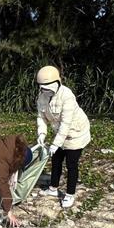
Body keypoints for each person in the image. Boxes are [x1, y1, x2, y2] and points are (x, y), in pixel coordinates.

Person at [35, 66, 91, 208]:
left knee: (71, 164)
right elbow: (41, 117)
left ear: (58, 82)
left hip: (75, 134)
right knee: (56, 161)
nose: (46, 90)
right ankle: (53, 188)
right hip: (59, 133)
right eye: (43, 87)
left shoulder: (67, 96)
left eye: (49, 87)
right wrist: (41, 134)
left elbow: (66, 123)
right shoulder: (42, 97)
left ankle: (70, 194)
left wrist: (55, 144)